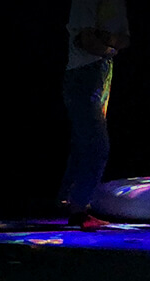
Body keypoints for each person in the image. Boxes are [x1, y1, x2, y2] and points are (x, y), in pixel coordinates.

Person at [60, 0, 130, 229]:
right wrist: (110, 45)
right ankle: (78, 209)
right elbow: (87, 41)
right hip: (84, 74)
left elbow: (124, 39)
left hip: (101, 73)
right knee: (95, 145)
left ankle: (69, 202)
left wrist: (106, 41)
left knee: (84, 144)